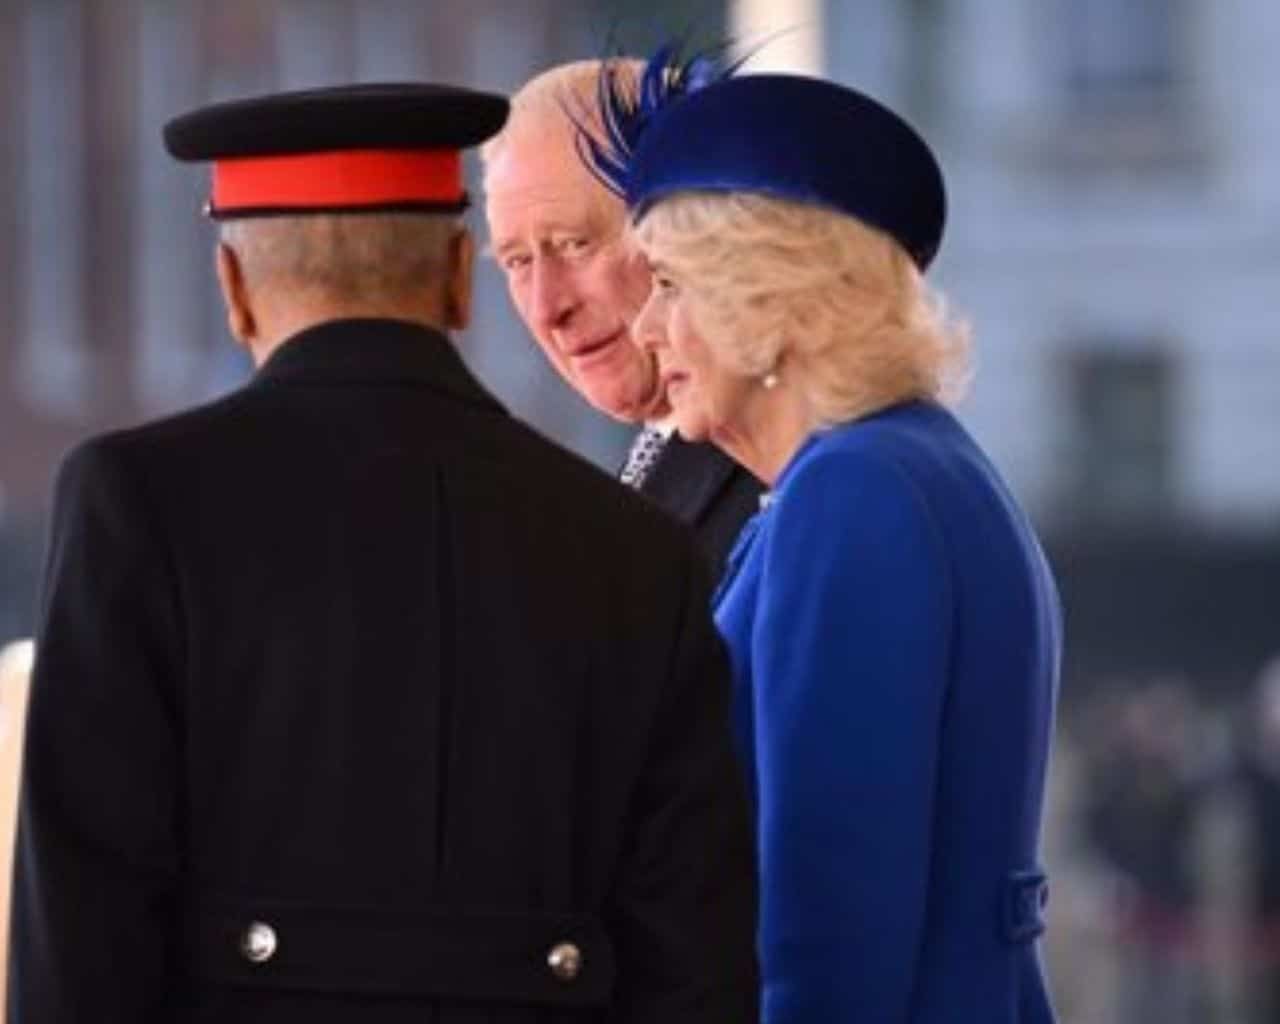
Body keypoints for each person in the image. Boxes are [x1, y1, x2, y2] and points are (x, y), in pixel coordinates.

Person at [7, 83, 757, 1023]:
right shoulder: (640, 551)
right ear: (458, 277)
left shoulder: (135, 505)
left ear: (234, 291)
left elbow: (79, 926)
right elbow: (694, 969)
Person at [580, 56, 1064, 1022]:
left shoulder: (853, 493)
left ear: (770, 303)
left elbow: (826, 920)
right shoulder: (915, 465)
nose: (647, 327)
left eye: (669, 284)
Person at [482, 60, 763, 579]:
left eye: (575, 244)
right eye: (517, 262)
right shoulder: (652, 466)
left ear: (684, 231)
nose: (547, 308)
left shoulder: (787, 461)